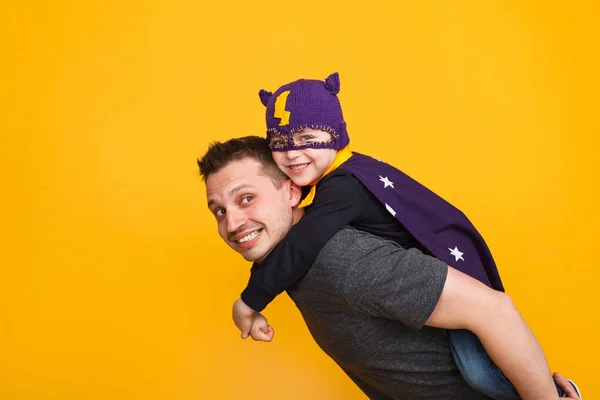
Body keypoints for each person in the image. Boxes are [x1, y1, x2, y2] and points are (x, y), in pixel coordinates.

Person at [229, 73, 581, 399]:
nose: (292, 152)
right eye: (279, 141)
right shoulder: (343, 177)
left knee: (480, 374)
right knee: (478, 371)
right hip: (437, 287)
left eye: (307, 137)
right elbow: (298, 242)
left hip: (454, 279)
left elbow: (304, 243)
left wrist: (250, 301)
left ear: (335, 133)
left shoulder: (342, 187)